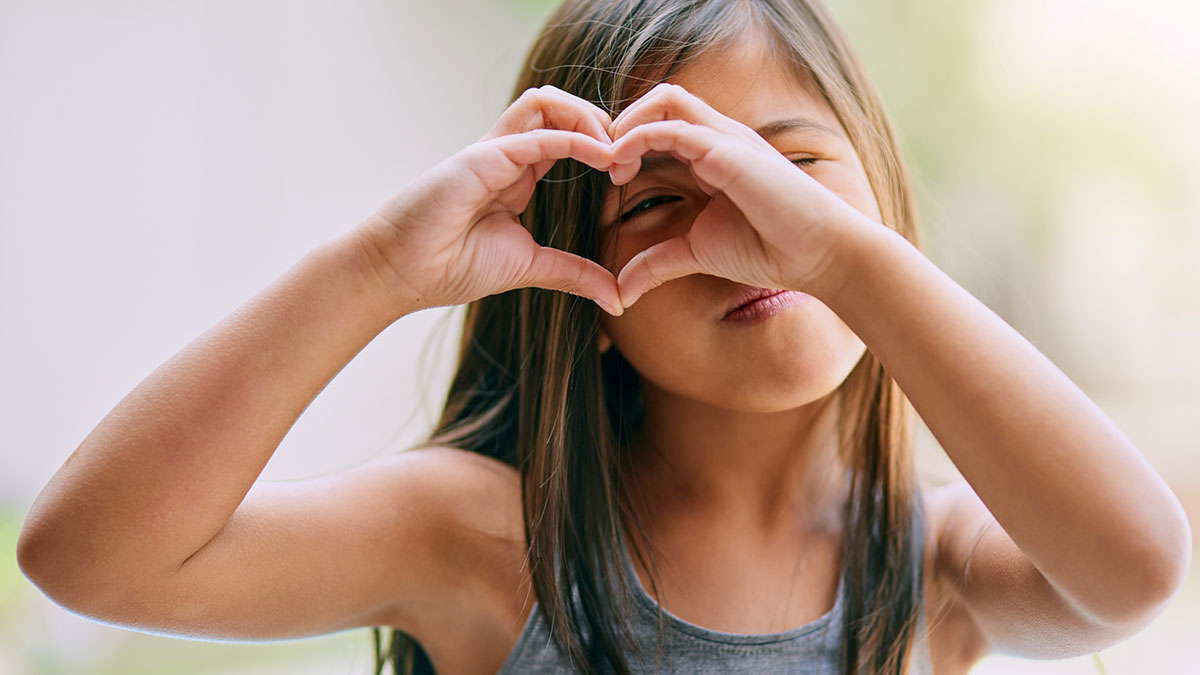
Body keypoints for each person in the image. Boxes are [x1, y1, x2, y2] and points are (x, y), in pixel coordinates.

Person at [16, 0, 1191, 673]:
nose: (746, 237)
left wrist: (843, 258)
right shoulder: (486, 538)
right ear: (579, 288)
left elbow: (1136, 565)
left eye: (790, 177)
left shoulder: (934, 563)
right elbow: (90, 556)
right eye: (661, 201)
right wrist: (377, 268)